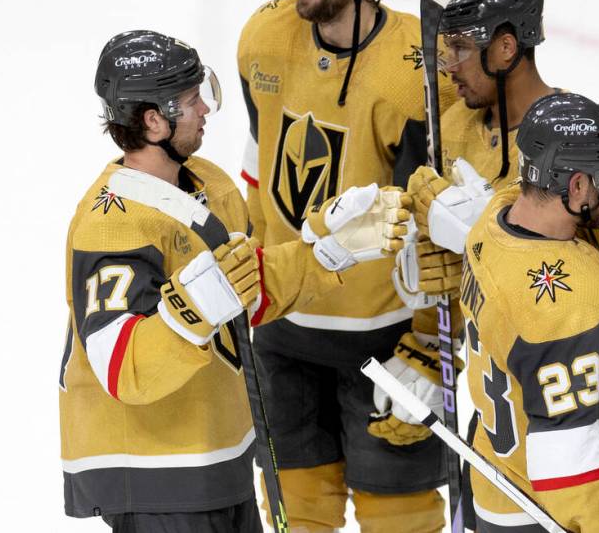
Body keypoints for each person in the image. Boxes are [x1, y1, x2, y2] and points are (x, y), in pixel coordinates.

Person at [59, 30, 409, 531]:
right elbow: (121, 367)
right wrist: (196, 305)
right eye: (189, 100)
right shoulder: (111, 223)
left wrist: (329, 253)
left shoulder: (210, 184)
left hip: (220, 456)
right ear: (153, 120)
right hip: (155, 474)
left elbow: (245, 297)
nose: (205, 109)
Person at [237, 0, 457, 531]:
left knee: (402, 515)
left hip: (381, 337)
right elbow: (258, 168)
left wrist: (426, 350)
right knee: (297, 515)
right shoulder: (264, 36)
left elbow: (433, 218)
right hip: (279, 321)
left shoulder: (417, 68)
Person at [400, 0, 599, 393]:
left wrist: (472, 239)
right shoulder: (454, 125)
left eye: (460, 48)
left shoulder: (580, 134)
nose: (447, 67)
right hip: (530, 359)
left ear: (506, 48)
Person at [455, 92, 599, 532]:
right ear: (578, 187)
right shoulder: (571, 304)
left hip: (498, 480)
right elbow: (573, 475)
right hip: (546, 515)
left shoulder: (497, 215)